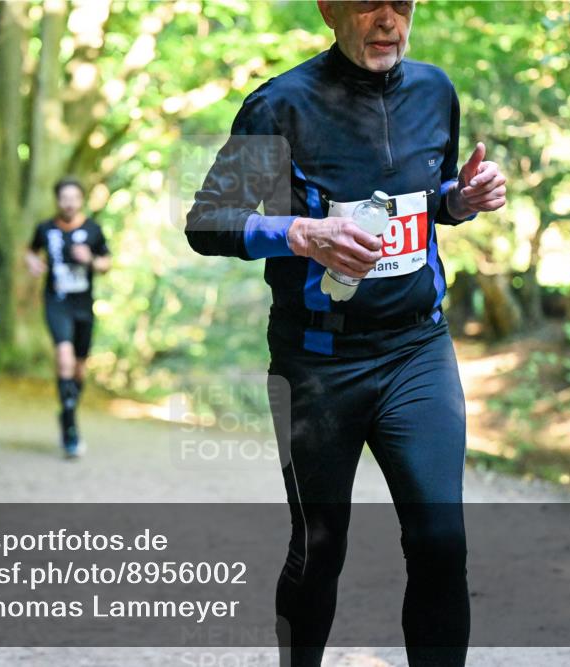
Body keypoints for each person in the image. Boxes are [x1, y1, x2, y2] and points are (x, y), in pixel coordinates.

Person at [185, 2, 506, 666]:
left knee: (441, 540)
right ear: (329, 8)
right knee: (320, 548)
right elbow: (207, 221)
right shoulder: (281, 105)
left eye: (403, 3)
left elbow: (425, 198)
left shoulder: (435, 90)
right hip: (318, 361)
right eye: (368, 3)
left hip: (416, 349)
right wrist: (297, 233)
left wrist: (460, 200)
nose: (388, 19)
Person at [26, 177, 111, 459]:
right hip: (56, 302)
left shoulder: (93, 230)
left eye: (74, 197)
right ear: (57, 200)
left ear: (81, 200)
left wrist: (90, 259)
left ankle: (67, 412)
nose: (69, 202)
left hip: (83, 307)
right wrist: (33, 262)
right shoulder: (45, 228)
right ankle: (71, 428)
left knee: (78, 370)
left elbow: (106, 263)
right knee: (63, 358)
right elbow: (30, 250)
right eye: (64, 197)